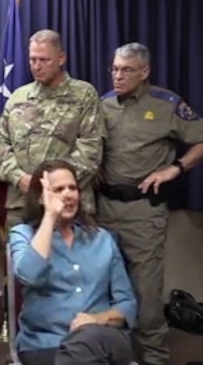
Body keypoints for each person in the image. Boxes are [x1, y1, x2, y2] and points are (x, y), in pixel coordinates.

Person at [97, 42, 203, 365]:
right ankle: (113, 352)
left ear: (145, 72)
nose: (117, 75)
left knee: (145, 291)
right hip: (104, 209)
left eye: (126, 69)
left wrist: (175, 168)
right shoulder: (104, 104)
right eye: (114, 68)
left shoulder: (165, 104)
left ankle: (155, 356)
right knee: (105, 286)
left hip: (143, 211)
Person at [9, 159, 137, 365]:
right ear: (41, 197)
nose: (67, 194)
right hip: (46, 344)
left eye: (72, 188)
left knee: (89, 340)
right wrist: (50, 217)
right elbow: (28, 275)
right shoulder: (23, 234)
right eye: (58, 189)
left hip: (103, 339)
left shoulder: (101, 238)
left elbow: (127, 304)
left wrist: (97, 320)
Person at [0, 29, 104, 230]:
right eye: (32, 60)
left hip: (69, 205)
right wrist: (19, 178)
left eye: (44, 60)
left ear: (61, 58)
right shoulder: (18, 97)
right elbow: (0, 144)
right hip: (22, 204)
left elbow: (91, 150)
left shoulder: (84, 95)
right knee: (23, 260)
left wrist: (51, 187)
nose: (37, 66)